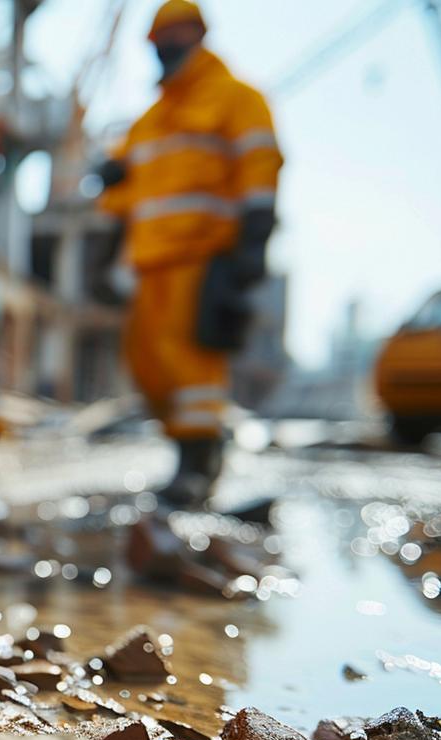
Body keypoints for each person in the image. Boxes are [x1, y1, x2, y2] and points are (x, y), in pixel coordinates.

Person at [93, 0, 282, 507]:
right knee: (148, 366)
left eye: (174, 38)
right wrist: (111, 192)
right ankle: (188, 450)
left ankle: (198, 465)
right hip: (150, 263)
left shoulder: (236, 98)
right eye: (159, 42)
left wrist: (254, 241)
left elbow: (260, 168)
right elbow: (124, 194)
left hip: (204, 256)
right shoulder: (151, 119)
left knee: (191, 366)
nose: (166, 50)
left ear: (196, 35)